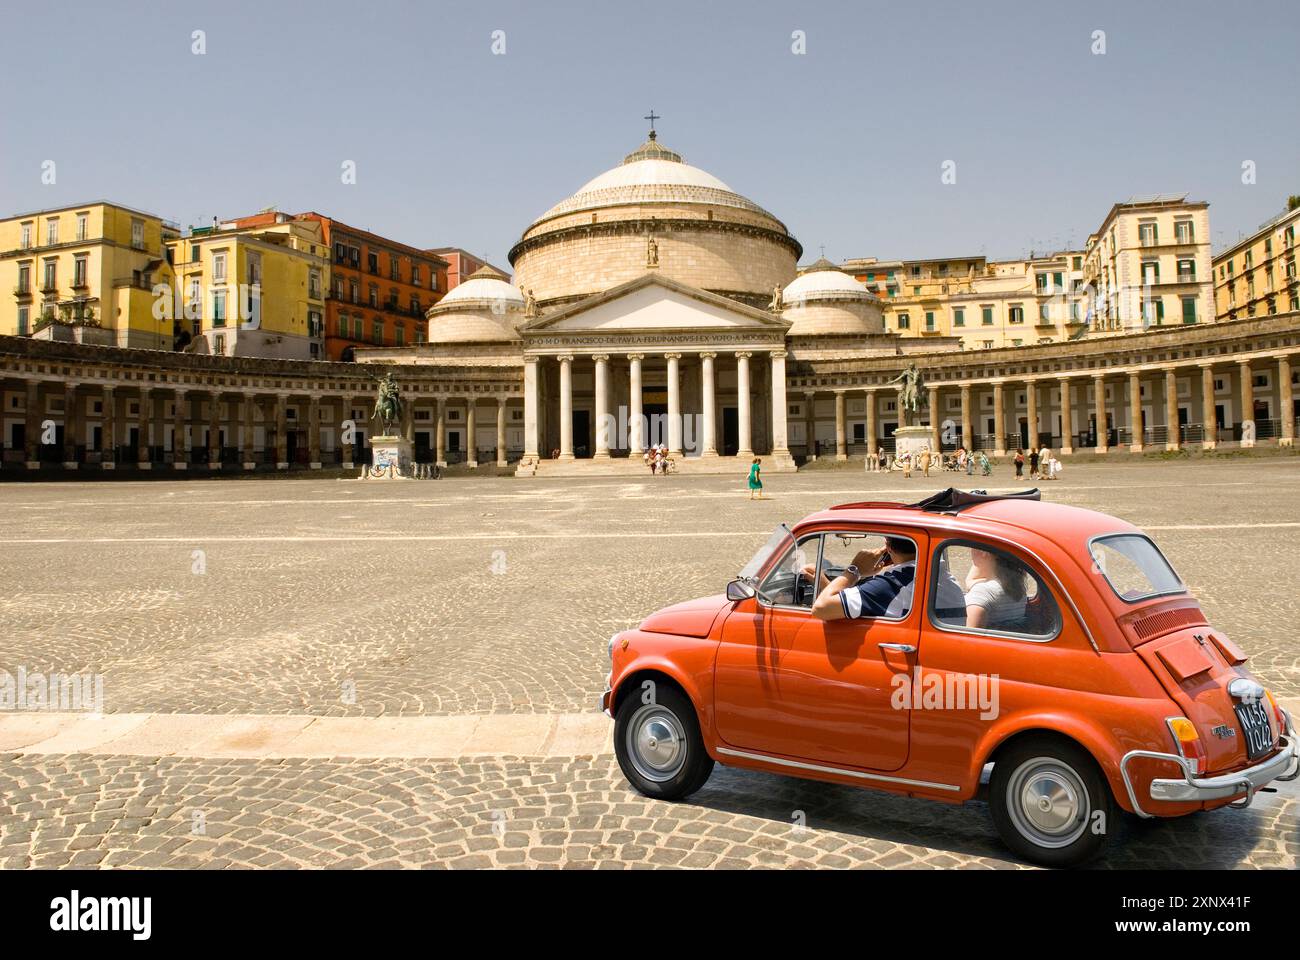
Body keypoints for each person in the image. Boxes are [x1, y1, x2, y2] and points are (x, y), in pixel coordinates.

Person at [806, 537, 918, 621]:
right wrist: (825, 584)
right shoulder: (925, 572)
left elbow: (821, 608)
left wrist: (855, 569)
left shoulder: (891, 584)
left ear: (887, 546)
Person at [964, 547, 1029, 630]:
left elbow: (971, 638)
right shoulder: (1018, 589)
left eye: (973, 547)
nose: (971, 552)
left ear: (984, 552)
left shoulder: (982, 592)